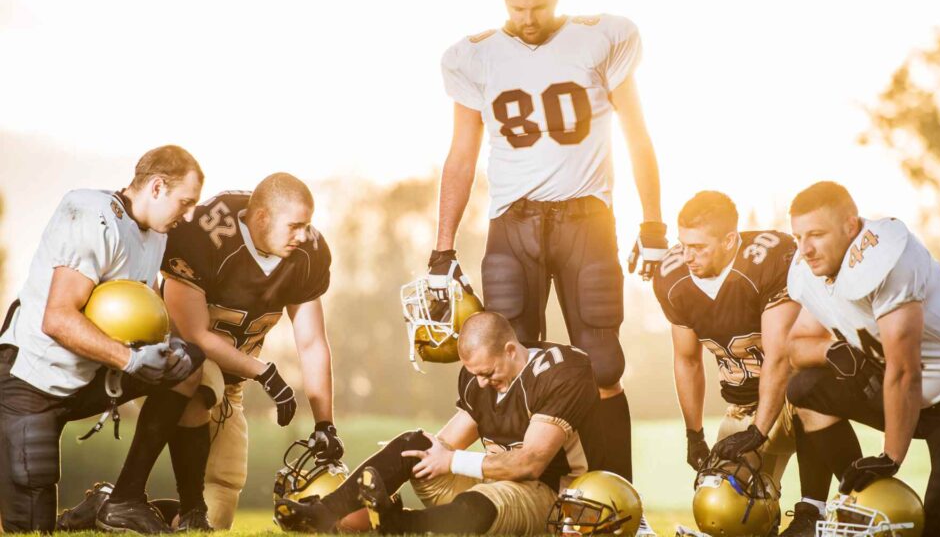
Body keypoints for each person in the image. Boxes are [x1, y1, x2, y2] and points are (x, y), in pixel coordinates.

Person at [428, 0, 666, 496]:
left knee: (603, 365)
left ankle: (618, 502)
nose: (528, 19)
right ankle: (541, 502)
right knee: (508, 364)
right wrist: (442, 247)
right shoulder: (476, 55)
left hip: (587, 218)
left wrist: (652, 221)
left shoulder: (601, 37)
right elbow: (461, 155)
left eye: (538, 7)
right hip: (512, 225)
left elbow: (638, 135)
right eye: (517, 8)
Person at [785, 181, 940, 537]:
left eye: (816, 234)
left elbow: (905, 370)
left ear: (851, 227)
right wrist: (833, 351)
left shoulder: (889, 257)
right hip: (921, 403)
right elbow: (796, 345)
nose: (805, 249)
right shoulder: (819, 268)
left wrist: (889, 457)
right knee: (805, 387)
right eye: (798, 237)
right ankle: (861, 500)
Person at [0, 145, 206, 533]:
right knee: (31, 529)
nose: (189, 214)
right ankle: (91, 507)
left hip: (91, 379)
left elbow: (139, 315)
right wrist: (130, 361)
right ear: (158, 187)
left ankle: (124, 499)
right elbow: (58, 319)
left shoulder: (156, 235)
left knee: (188, 364)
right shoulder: (92, 216)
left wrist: (168, 348)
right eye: (186, 202)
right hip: (31, 382)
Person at [275, 311, 607, 535]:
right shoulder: (479, 379)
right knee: (414, 445)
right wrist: (396, 461)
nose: (479, 383)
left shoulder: (563, 371)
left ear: (510, 350)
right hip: (494, 483)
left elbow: (530, 464)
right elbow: (444, 446)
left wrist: (452, 460)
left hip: (549, 498)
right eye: (474, 374)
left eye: (487, 373)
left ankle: (402, 525)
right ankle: (321, 513)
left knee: (488, 499)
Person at [155, 173, 341, 530]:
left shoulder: (308, 254)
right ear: (261, 219)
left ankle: (165, 518)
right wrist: (265, 372)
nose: (304, 236)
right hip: (178, 362)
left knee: (226, 480)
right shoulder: (205, 235)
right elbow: (193, 333)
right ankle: (125, 498)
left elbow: (312, 341)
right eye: (295, 226)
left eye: (308, 225)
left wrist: (325, 422)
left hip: (234, 378)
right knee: (202, 380)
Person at [652, 191, 838, 536]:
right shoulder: (673, 278)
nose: (688, 257)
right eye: (683, 245)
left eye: (699, 247)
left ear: (729, 240)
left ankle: (815, 511)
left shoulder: (767, 260)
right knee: (723, 512)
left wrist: (758, 431)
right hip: (740, 407)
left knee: (806, 389)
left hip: (786, 401)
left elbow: (780, 357)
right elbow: (687, 359)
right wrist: (694, 435)